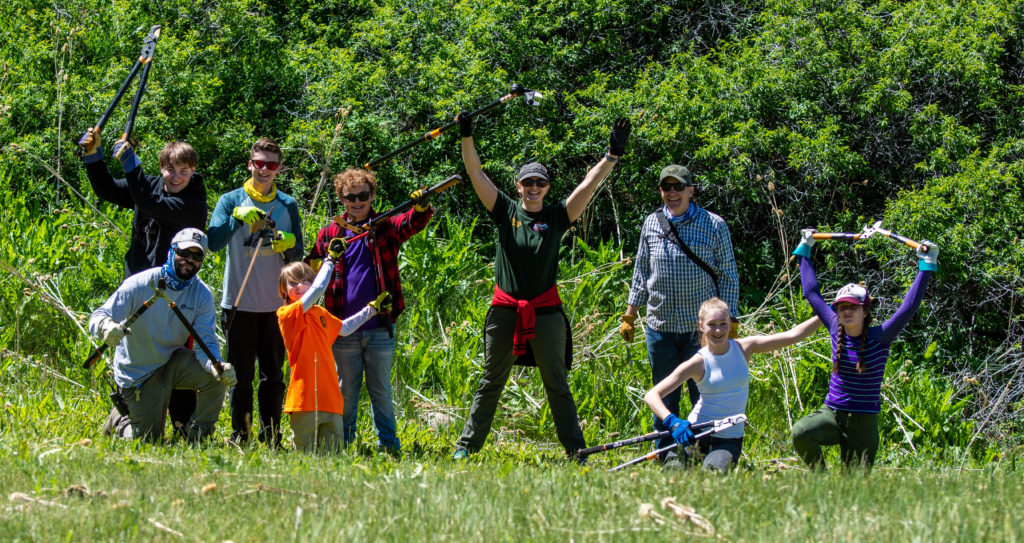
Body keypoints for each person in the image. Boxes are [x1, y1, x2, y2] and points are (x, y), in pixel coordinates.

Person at [453, 112, 631, 460]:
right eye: (527, 183)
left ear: (547, 188)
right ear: (518, 186)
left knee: (557, 384)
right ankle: (467, 448)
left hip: (546, 313)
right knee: (491, 381)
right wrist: (466, 133)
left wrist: (612, 155)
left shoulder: (556, 216)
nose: (534, 188)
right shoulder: (504, 210)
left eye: (540, 183)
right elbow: (475, 172)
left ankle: (576, 450)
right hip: (505, 311)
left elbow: (588, 185)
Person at [78, 130, 208, 434]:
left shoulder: (194, 202)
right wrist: (93, 156)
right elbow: (107, 190)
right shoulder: (148, 184)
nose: (176, 177)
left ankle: (183, 423)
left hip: (175, 293)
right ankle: (124, 415)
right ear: (161, 167)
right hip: (138, 285)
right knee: (132, 354)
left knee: (176, 355)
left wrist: (130, 163)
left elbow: (151, 204)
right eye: (170, 170)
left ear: (192, 171)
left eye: (184, 171)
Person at [304, 168, 433, 454]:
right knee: (346, 393)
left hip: (379, 325)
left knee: (381, 392)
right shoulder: (330, 233)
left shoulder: (384, 225)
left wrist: (422, 206)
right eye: (351, 197)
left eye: (364, 195)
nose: (358, 202)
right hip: (342, 327)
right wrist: (319, 257)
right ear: (341, 198)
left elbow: (411, 223)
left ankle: (388, 446)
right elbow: (310, 271)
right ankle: (343, 444)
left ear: (372, 195)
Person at [790, 229, 937, 469]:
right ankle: (821, 482)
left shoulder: (881, 337)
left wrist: (927, 266)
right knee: (801, 432)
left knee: (853, 490)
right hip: (832, 415)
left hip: (863, 423)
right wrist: (804, 249)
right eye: (842, 306)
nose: (846, 311)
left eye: (853, 307)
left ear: (865, 311)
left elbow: (908, 308)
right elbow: (811, 292)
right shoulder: (834, 325)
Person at [620, 164, 740, 457]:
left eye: (678, 187)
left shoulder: (714, 224)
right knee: (665, 397)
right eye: (666, 187)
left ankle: (706, 451)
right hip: (660, 327)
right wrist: (629, 315)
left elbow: (728, 275)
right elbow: (641, 271)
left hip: (700, 333)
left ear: (691, 190)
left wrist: (730, 320)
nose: (672, 193)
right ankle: (668, 455)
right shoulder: (651, 222)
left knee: (705, 396)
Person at [89, 228, 237, 442]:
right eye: (184, 253)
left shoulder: (202, 295)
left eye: (197, 256)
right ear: (172, 251)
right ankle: (121, 421)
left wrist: (217, 366)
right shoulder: (140, 283)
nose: (189, 260)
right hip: (139, 372)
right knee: (146, 440)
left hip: (171, 362)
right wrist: (105, 327)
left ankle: (198, 436)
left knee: (215, 377)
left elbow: (206, 343)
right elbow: (98, 315)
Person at [644, 298, 821, 471]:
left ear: (730, 324)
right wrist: (673, 422)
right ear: (701, 326)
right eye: (712, 324)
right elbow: (651, 396)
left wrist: (827, 314)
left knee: (713, 473)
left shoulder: (745, 348)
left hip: (728, 438)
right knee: (672, 471)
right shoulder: (698, 362)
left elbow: (793, 335)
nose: (718, 330)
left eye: (723, 323)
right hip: (696, 433)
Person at [208, 137, 303, 446]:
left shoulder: (287, 204)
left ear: (279, 169)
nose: (264, 170)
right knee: (241, 375)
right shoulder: (229, 200)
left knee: (273, 377)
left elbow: (297, 257)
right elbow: (213, 242)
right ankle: (241, 434)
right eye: (259, 163)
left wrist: (288, 243)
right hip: (238, 301)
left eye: (271, 165)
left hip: (276, 305)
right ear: (249, 164)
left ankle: (272, 435)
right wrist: (236, 219)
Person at [277, 238, 392, 453]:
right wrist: (330, 259)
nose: (299, 286)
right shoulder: (287, 315)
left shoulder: (320, 314)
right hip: (304, 400)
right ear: (284, 291)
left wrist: (373, 309)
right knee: (304, 457)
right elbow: (320, 288)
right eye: (293, 284)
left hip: (330, 399)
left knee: (332, 457)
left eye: (304, 281)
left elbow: (345, 328)